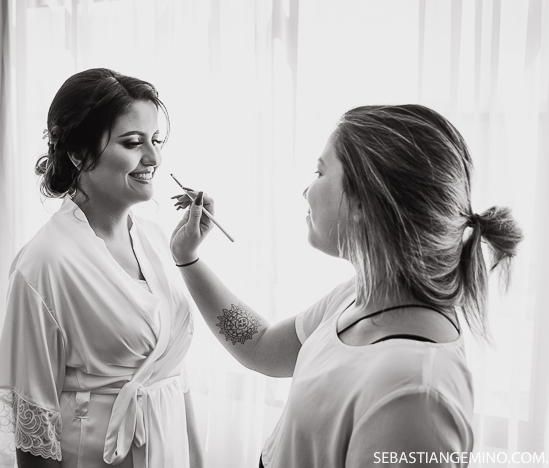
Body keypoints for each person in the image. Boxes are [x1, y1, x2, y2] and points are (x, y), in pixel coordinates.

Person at [170, 104, 522, 467]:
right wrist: (187, 258)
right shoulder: (360, 294)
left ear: (362, 201)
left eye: (320, 172)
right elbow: (260, 345)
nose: (306, 190)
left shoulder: (415, 390)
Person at [0, 68, 202, 468]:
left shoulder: (154, 238)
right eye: (133, 142)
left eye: (156, 140)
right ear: (79, 153)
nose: (152, 158)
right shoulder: (44, 263)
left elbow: (171, 373)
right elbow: (33, 420)